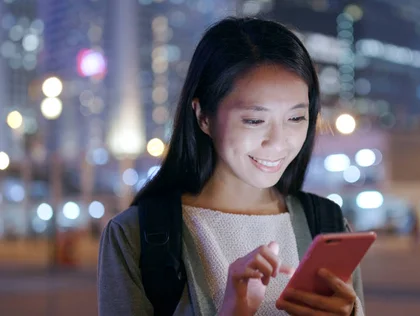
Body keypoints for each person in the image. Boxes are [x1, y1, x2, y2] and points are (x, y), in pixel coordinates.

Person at [97, 17, 366, 316]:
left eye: (296, 118)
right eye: (254, 120)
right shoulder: (137, 235)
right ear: (203, 117)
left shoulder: (326, 225)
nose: (278, 142)